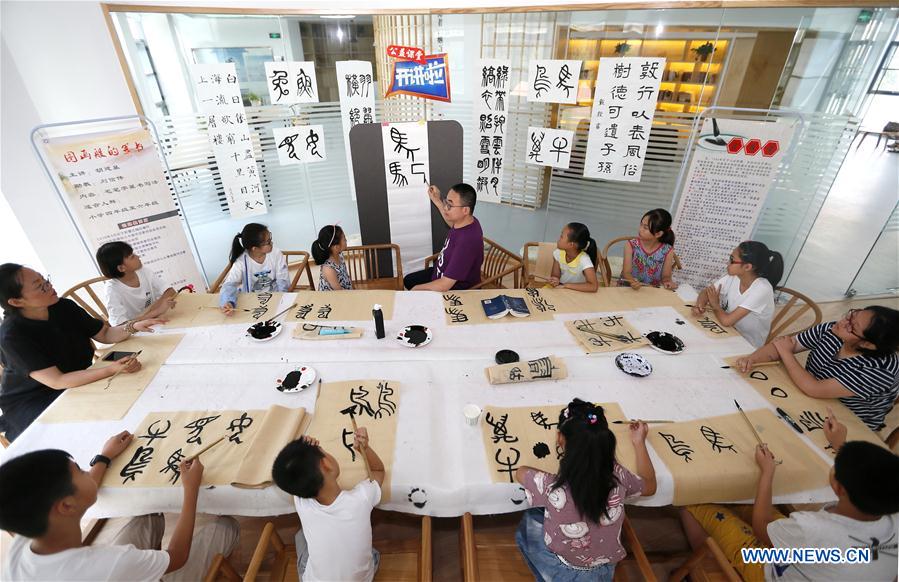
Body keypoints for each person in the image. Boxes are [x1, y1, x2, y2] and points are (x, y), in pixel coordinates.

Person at [679, 409, 899, 581]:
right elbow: (870, 477)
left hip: (772, 569)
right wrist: (841, 445)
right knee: (744, 501)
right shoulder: (890, 508)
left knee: (694, 501)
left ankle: (703, 560)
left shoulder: (812, 528)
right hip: (826, 559)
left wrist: (767, 472)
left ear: (839, 488)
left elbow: (761, 527)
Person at [0, 431, 239, 581]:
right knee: (225, 526)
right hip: (139, 566)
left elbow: (86, 488)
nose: (87, 472)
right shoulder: (106, 565)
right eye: (81, 471)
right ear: (66, 506)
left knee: (148, 517)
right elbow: (178, 556)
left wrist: (104, 457)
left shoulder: (25, 542)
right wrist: (191, 489)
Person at [0, 264, 162, 441]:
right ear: (16, 302)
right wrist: (110, 369)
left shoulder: (63, 307)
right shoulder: (12, 335)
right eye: (40, 286)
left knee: (145, 378)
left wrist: (133, 326)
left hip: (79, 379)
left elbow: (105, 334)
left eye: (45, 279)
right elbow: (57, 381)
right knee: (89, 434)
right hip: (35, 401)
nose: (49, 286)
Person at [514, 399, 657, 581]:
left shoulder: (553, 489)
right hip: (604, 569)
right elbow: (650, 486)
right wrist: (639, 442)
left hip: (564, 569)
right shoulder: (618, 475)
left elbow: (521, 472)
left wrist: (557, 480)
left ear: (560, 438)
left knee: (531, 518)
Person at [736, 306, 899, 431]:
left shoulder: (880, 370)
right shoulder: (833, 330)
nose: (843, 322)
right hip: (809, 397)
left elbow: (814, 388)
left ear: (868, 344)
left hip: (848, 423)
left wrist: (786, 352)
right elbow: (782, 346)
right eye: (851, 314)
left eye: (851, 326)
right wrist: (752, 359)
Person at [272, 429, 385, 582]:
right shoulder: (360, 499)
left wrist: (305, 452)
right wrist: (365, 449)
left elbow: (290, 471)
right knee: (373, 554)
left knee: (300, 536)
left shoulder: (301, 502)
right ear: (325, 464)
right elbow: (378, 471)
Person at [692, 241, 783, 348]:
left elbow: (727, 321)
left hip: (746, 343)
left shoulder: (762, 289)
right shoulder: (733, 276)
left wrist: (715, 305)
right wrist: (700, 305)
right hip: (724, 330)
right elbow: (706, 292)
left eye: (732, 260)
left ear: (747, 267)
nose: (728, 263)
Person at [404, 183, 484, 291]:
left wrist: (415, 291)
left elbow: (444, 285)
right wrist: (437, 200)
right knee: (408, 280)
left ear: (465, 210)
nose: (446, 207)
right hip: (439, 272)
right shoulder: (467, 221)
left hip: (455, 290)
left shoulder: (467, 242)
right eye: (446, 202)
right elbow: (453, 226)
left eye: (450, 205)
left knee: (413, 287)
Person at [96, 241, 177, 326]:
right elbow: (121, 326)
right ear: (121, 268)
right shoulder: (112, 290)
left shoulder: (143, 271)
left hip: (156, 320)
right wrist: (156, 311)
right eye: (132, 257)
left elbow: (170, 291)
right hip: (136, 331)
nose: (138, 256)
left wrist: (153, 310)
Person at [219, 223, 289, 315]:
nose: (272, 243)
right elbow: (229, 285)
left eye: (270, 239)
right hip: (251, 301)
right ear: (255, 248)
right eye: (268, 242)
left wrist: (282, 299)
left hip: (275, 296)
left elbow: (283, 281)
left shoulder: (276, 253)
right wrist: (228, 302)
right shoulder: (241, 262)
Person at [619, 208, 678, 290]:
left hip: (651, 291)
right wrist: (632, 282)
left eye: (645, 228)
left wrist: (667, 282)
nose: (640, 229)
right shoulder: (631, 245)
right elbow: (626, 272)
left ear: (658, 234)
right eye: (641, 224)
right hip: (628, 288)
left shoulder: (667, 250)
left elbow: (666, 276)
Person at [548, 223, 599, 293]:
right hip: (561, 291)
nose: (558, 239)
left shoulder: (584, 260)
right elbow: (555, 276)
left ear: (571, 244)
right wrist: (554, 280)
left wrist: (566, 286)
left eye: (561, 236)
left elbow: (593, 286)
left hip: (577, 294)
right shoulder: (558, 253)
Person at [311, 225, 352, 291]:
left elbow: (346, 276)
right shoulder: (328, 269)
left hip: (345, 292)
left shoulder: (340, 255)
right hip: (332, 298)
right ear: (336, 247)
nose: (346, 240)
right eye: (344, 238)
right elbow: (339, 291)